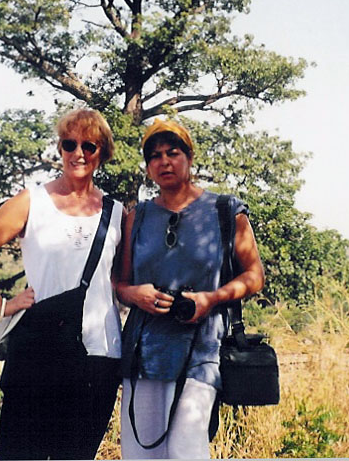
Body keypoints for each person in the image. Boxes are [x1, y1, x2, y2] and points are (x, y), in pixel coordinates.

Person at [0, 108, 124, 460]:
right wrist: (0, 304)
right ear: (60, 148)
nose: (78, 153)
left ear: (102, 152)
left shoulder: (117, 213)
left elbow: (122, 282)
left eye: (89, 146)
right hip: (39, 352)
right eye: (69, 144)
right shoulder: (32, 202)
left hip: (98, 356)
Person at [116, 119, 265, 459]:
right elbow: (120, 284)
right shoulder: (137, 217)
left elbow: (255, 275)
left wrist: (211, 298)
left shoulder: (225, 211)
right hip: (144, 352)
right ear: (148, 167)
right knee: (141, 453)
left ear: (189, 157)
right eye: (155, 156)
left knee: (187, 448)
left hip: (202, 349)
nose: (164, 162)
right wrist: (135, 294)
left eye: (173, 152)